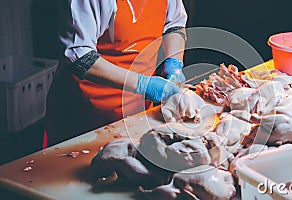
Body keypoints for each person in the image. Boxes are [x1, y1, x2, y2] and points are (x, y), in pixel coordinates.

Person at [44, 0, 188, 147]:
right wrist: (143, 84)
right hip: (86, 114)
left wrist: (174, 63)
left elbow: (174, 24)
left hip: (139, 110)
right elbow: (78, 56)